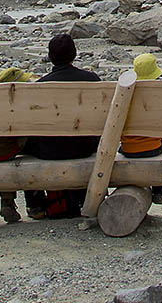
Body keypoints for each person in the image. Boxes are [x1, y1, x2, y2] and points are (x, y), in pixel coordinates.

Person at [23, 35, 101, 219]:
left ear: (50, 57)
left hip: (49, 150)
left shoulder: (40, 86)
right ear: (74, 54)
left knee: (27, 145)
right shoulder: (92, 80)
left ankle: (35, 205)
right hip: (84, 147)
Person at [0, 67, 37, 223]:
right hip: (6, 151)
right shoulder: (16, 105)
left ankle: (6, 201)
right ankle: (34, 204)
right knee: (30, 145)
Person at [119, 54, 162, 205]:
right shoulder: (159, 96)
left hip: (127, 148)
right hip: (153, 147)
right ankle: (158, 191)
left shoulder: (124, 95)